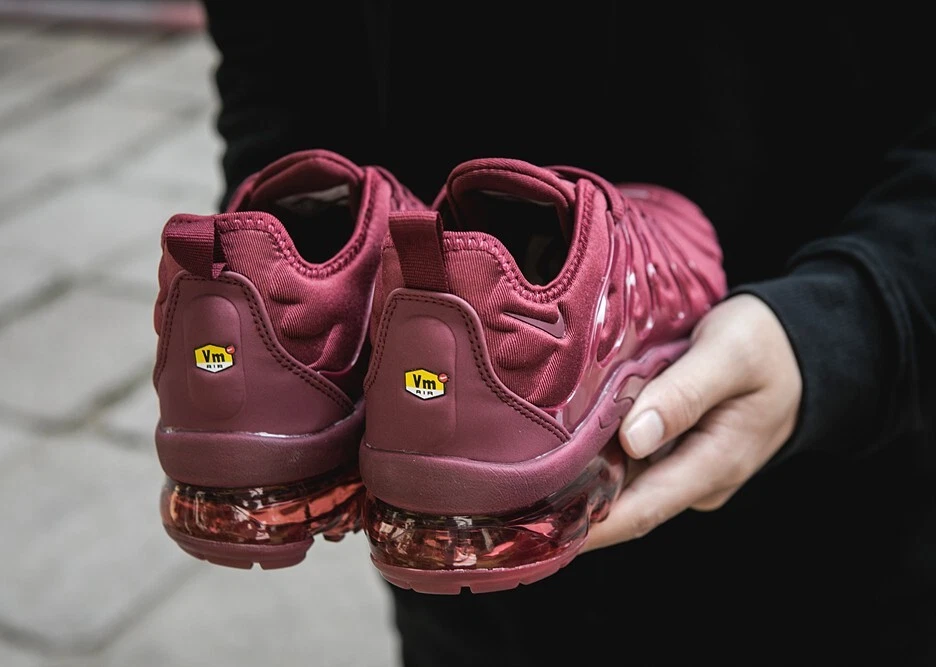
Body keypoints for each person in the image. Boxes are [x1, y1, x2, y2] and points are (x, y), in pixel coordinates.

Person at [198, 4, 935, 665]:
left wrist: (840, 328)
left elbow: (273, 47)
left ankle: (272, 372)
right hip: (504, 571)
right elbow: (269, 48)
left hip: (827, 488)